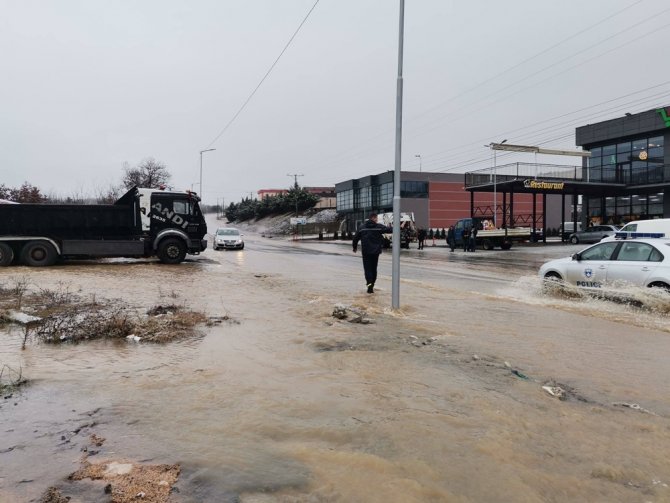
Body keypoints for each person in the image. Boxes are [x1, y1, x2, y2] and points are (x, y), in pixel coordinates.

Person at [352, 213, 393, 294]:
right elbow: (390, 230)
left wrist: (354, 247)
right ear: (374, 218)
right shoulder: (378, 227)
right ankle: (372, 285)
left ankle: (369, 286)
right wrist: (398, 226)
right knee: (374, 269)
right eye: (376, 218)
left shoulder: (362, 227)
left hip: (366, 252)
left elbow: (355, 238)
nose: (377, 220)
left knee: (367, 269)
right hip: (375, 252)